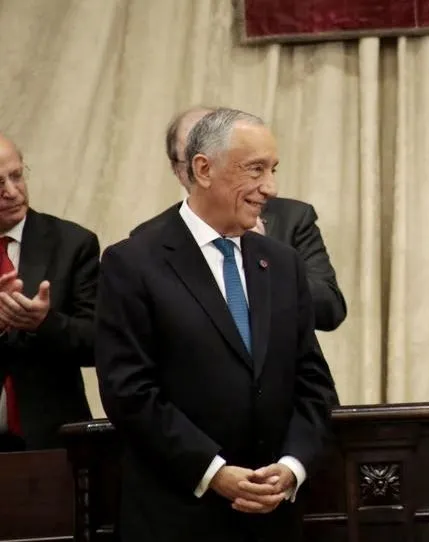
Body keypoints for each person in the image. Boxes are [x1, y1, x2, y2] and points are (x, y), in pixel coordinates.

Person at [95, 108, 336, 542]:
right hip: (178, 516)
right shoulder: (133, 262)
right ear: (203, 169)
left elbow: (313, 381)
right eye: (255, 170)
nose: (271, 188)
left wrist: (292, 467)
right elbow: (128, 391)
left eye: (273, 169)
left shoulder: (282, 264)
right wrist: (215, 472)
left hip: (272, 519)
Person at [131, 106, 348, 333]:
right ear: (180, 169)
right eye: (193, 158)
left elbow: (330, 310)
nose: (269, 187)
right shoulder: (147, 241)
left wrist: (267, 261)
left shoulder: (292, 218)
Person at [0, 134, 98, 452]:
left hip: (49, 441)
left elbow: (97, 342)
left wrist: (44, 322)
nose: (12, 192)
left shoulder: (72, 244)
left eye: (16, 175)